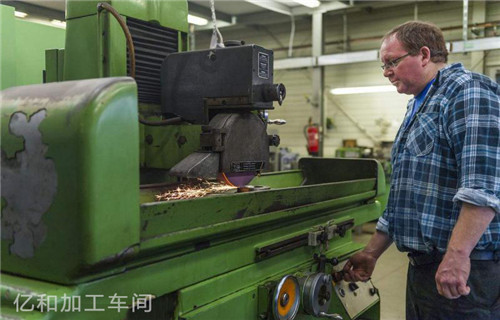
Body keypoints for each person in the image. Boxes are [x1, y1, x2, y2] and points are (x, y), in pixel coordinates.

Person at [340, 21, 500, 320]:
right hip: (425, 269)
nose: (387, 71)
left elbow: (483, 187)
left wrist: (457, 256)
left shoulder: (467, 92)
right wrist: (372, 252)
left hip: (465, 272)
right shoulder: (420, 105)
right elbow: (406, 196)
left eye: (392, 61)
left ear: (424, 55)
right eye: (383, 65)